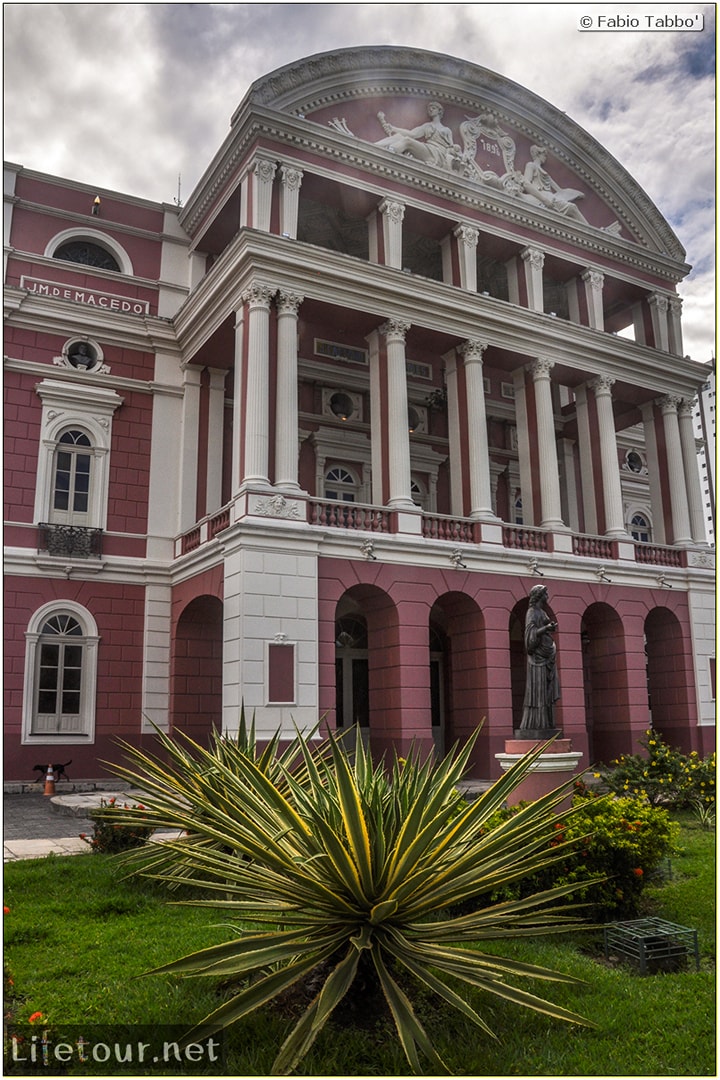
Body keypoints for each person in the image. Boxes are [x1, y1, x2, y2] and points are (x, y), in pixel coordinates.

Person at [375, 101, 463, 172]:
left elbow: (450, 148)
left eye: (433, 108)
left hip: (438, 155)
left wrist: (456, 150)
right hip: (428, 149)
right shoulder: (427, 126)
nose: (431, 110)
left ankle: (389, 152)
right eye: (429, 109)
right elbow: (412, 134)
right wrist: (393, 128)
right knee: (399, 137)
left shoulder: (447, 130)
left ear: (439, 111)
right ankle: (377, 147)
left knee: (407, 141)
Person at [520, 584, 560, 730]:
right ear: (539, 595)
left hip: (548, 655)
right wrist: (546, 629)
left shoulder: (542, 612)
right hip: (537, 658)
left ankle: (547, 722)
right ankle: (536, 723)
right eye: (545, 593)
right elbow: (530, 635)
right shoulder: (531, 612)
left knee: (547, 690)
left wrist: (550, 626)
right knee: (538, 690)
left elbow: (545, 626)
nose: (547, 596)